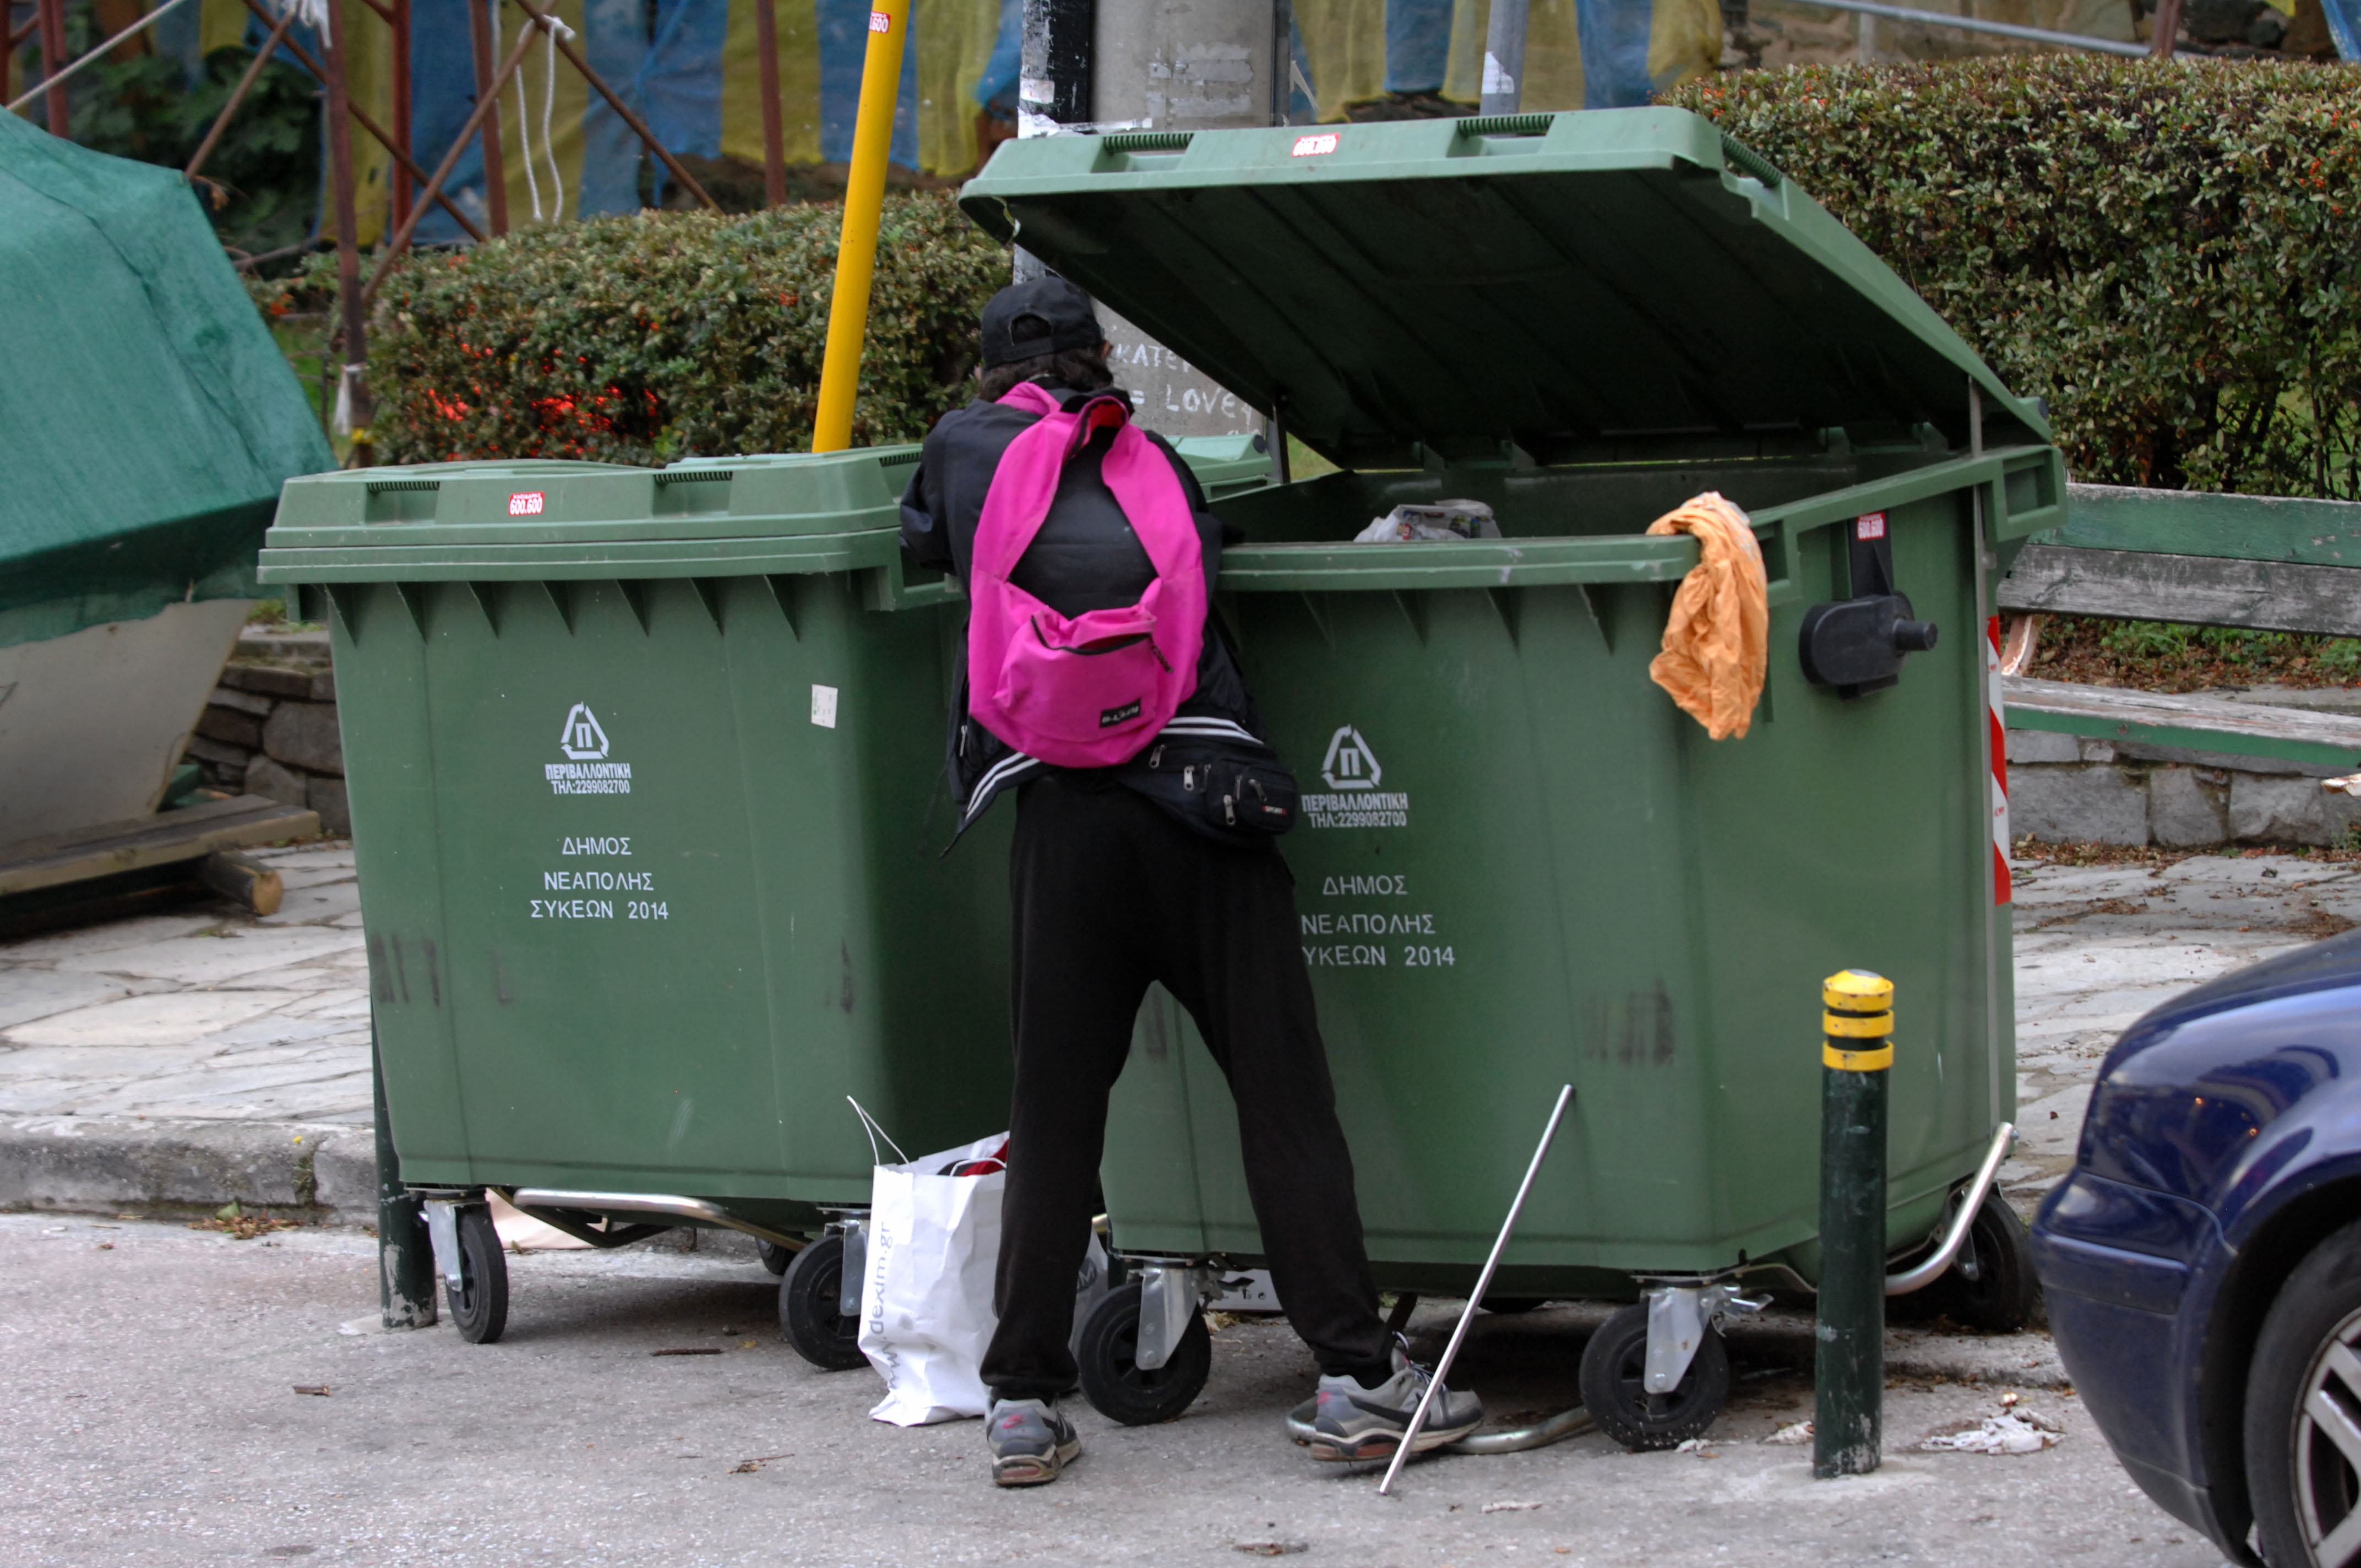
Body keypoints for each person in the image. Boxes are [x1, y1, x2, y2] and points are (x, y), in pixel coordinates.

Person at [897, 276, 1483, 1488]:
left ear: (994, 369)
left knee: (1054, 1115)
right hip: (1204, 810)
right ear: (1094, 361)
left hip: (1063, 823)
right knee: (1281, 1099)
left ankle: (1019, 1397)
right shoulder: (1144, 454)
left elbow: (921, 556)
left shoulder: (956, 457)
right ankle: (1355, 1376)